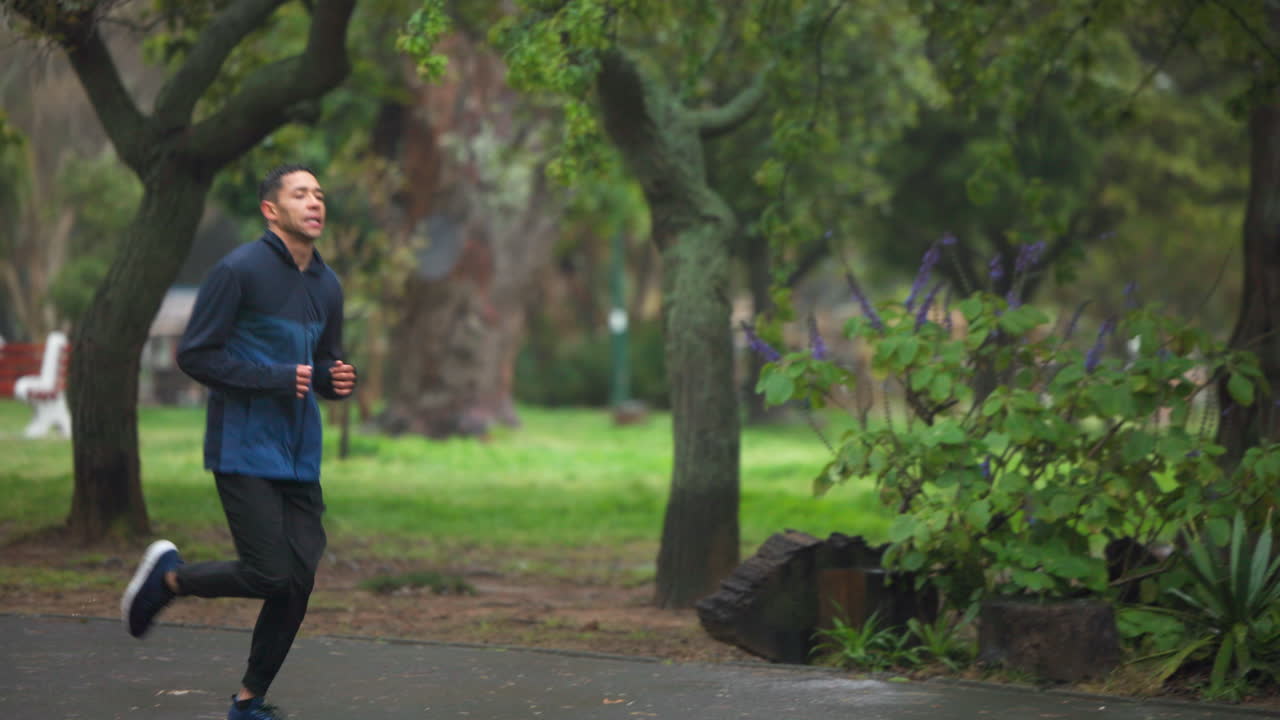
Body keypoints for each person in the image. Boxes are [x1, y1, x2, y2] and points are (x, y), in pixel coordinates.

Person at [120, 164, 356, 720]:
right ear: (271, 210)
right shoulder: (239, 271)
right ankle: (170, 579)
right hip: (243, 445)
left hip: (300, 452)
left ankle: (249, 703)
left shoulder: (327, 284)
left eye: (319, 194)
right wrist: (278, 377)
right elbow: (196, 355)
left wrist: (334, 379)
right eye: (300, 194)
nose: (314, 202)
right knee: (270, 572)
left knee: (297, 583)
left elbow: (322, 363)